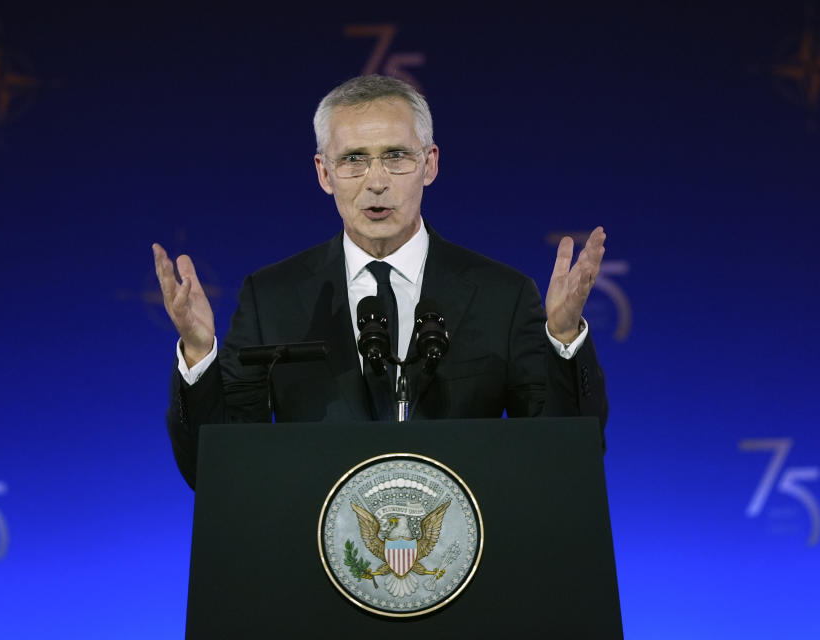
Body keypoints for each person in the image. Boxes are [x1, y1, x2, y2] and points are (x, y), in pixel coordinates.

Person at [153, 75, 608, 488]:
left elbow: (564, 460)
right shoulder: (270, 298)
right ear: (323, 173)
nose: (376, 182)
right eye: (353, 160)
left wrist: (564, 340)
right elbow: (216, 469)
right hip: (310, 564)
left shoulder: (502, 296)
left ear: (429, 164)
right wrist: (198, 356)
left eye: (395, 157)